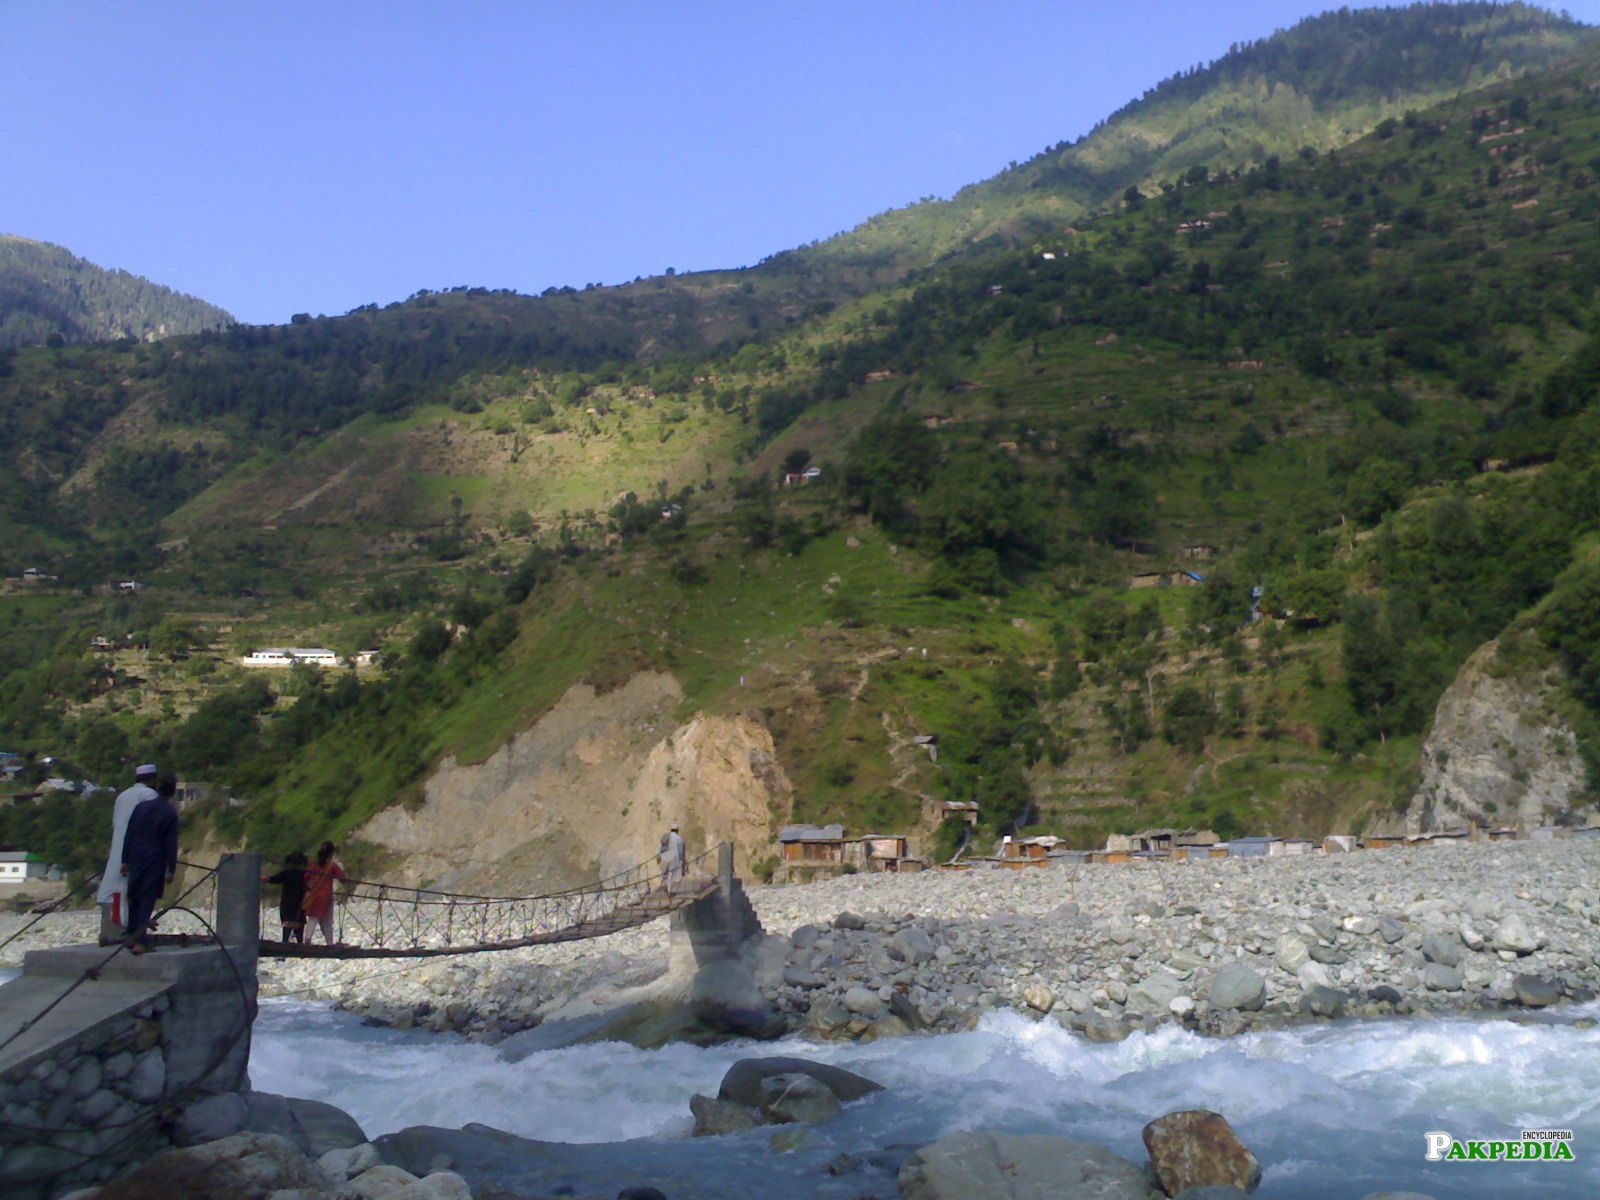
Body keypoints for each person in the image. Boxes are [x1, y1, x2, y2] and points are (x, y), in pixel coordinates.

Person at [97, 765, 159, 945]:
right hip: (138, 853)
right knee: (134, 891)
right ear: (153, 779)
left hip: (119, 850)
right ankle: (130, 934)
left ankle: (110, 933)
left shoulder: (122, 796)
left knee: (115, 888)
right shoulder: (150, 796)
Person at [121, 775, 179, 954]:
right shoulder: (169, 813)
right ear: (173, 792)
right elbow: (171, 845)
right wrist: (170, 870)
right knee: (147, 899)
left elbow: (129, 834)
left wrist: (125, 860)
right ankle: (140, 942)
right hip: (154, 861)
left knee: (133, 898)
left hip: (136, 859)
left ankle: (131, 938)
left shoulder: (140, 808)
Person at [302, 841, 347, 945]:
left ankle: (307, 940)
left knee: (313, 918)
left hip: (314, 895)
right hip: (327, 897)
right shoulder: (332, 866)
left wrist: (308, 887)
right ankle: (329, 943)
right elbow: (342, 878)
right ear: (331, 854)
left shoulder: (314, 864)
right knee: (327, 922)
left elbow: (305, 877)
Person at [264, 851, 309, 943]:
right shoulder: (304, 874)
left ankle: (285, 944)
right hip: (299, 902)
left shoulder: (285, 873)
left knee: (287, 925)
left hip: (287, 902)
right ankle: (300, 946)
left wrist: (264, 879)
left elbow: (273, 879)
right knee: (299, 924)